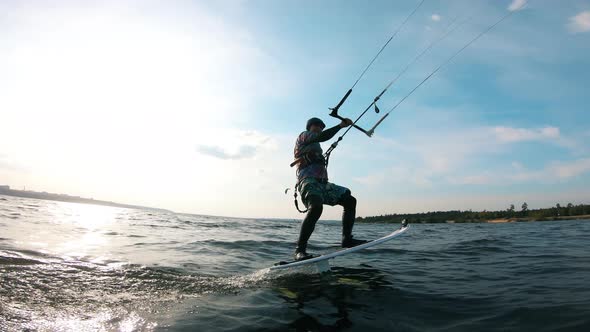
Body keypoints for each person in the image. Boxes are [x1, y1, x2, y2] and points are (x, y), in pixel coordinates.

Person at [292, 117, 367, 261]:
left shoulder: (316, 147)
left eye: (321, 127)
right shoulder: (304, 136)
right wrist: (340, 126)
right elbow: (322, 136)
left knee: (350, 200)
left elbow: (322, 137)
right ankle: (300, 250)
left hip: (323, 184)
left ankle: (347, 239)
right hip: (308, 181)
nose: (319, 129)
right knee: (315, 207)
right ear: (309, 127)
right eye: (316, 126)